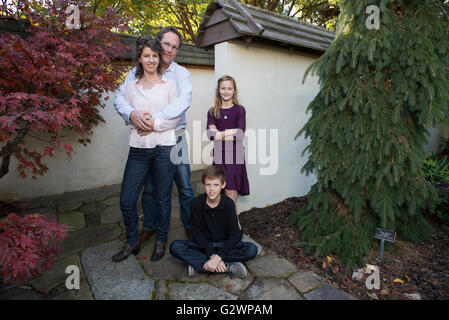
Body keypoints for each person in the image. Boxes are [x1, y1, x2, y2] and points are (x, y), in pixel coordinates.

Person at [114, 27, 195, 261]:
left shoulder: (180, 75)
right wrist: (132, 115)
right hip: (144, 140)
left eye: (174, 47)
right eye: (166, 44)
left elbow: (182, 103)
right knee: (150, 189)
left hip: (173, 136)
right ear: (158, 44)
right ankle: (149, 227)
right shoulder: (136, 74)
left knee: (185, 186)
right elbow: (120, 98)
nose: (170, 49)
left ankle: (188, 226)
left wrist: (153, 122)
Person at [169, 165, 257, 278]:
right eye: (208, 185)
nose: (211, 189)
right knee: (175, 247)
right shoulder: (196, 203)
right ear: (203, 185)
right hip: (204, 244)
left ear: (223, 185)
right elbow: (196, 233)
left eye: (216, 185)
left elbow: (235, 234)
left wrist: (218, 256)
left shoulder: (228, 204)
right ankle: (228, 266)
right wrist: (212, 256)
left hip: (224, 244)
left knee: (251, 250)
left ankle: (199, 264)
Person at [206, 75, 249, 229]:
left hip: (235, 155)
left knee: (231, 194)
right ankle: (221, 225)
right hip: (219, 155)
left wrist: (220, 133)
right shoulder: (213, 112)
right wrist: (229, 132)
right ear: (218, 90)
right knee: (217, 192)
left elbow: (240, 135)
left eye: (229, 88)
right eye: (223, 88)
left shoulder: (239, 110)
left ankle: (235, 226)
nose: (226, 91)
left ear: (234, 90)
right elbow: (211, 135)